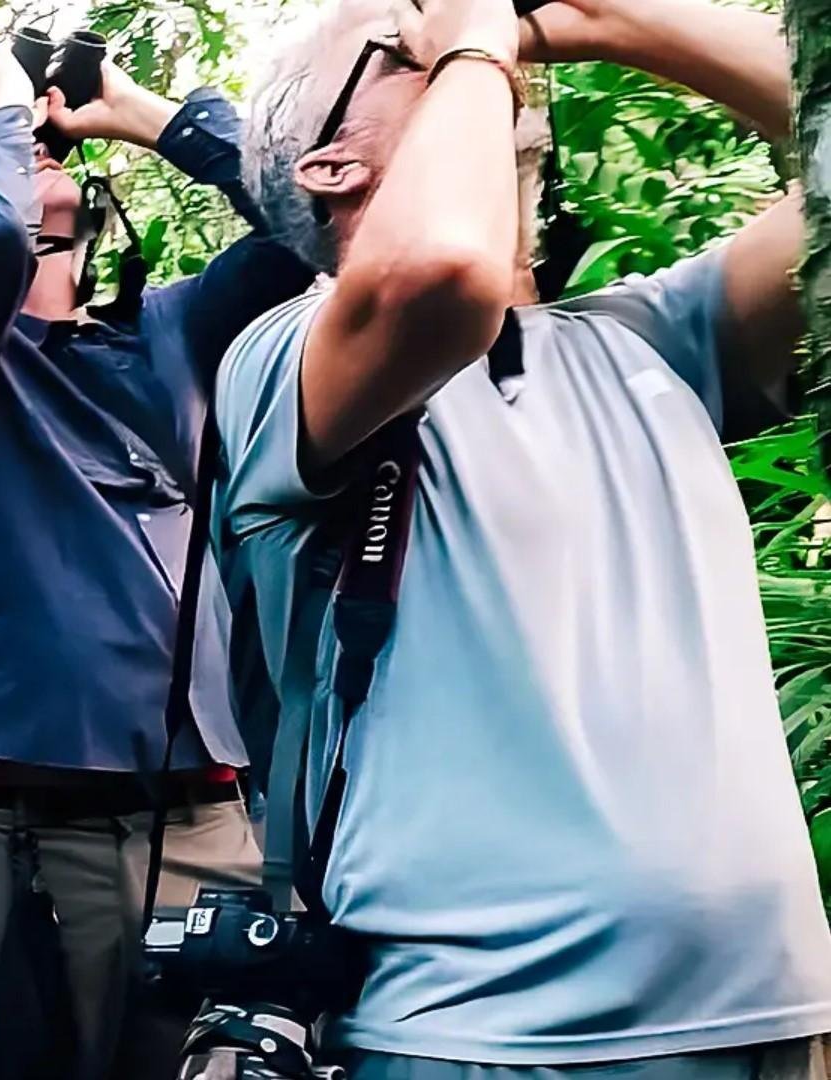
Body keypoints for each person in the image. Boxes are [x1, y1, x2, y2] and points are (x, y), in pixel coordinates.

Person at [216, 0, 831, 1073]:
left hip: (760, 1017)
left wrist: (599, 18)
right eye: (394, 40)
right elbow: (438, 274)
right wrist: (468, 41)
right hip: (478, 1034)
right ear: (329, 166)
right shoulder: (280, 363)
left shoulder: (657, 342)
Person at [0, 36, 318, 1080]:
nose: (31, 168)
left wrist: (139, 111)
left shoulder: (167, 335)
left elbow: (311, 227)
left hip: (193, 828)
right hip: (1, 836)